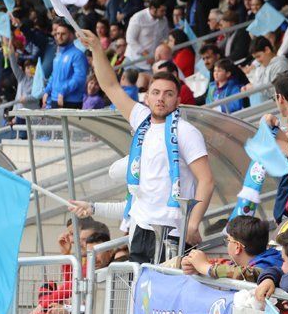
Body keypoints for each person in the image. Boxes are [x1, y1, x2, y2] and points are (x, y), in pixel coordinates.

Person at [73, 29, 215, 264]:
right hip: (141, 227)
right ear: (146, 97)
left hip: (173, 230)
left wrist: (193, 222)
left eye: (168, 94)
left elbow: (207, 180)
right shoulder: (141, 119)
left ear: (178, 101)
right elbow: (110, 86)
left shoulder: (186, 131)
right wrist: (97, 49)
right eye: (156, 93)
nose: (161, 98)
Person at [181, 216, 282, 281]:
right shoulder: (238, 264)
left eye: (228, 241)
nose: (227, 244)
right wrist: (194, 265)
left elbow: (244, 274)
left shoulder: (267, 265)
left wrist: (204, 267)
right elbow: (225, 266)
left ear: (237, 247)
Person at [42, 20, 88, 109]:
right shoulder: (58, 55)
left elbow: (80, 78)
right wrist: (47, 91)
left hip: (71, 101)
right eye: (57, 34)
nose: (59, 37)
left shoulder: (78, 55)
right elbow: (54, 76)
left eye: (63, 34)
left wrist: (63, 91)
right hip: (56, 98)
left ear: (71, 35)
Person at [124, 0, 169, 71]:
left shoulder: (164, 20)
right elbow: (130, 39)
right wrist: (146, 55)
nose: (164, 13)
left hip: (151, 64)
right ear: (153, 9)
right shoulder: (138, 18)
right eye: (162, 11)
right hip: (134, 61)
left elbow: (165, 39)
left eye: (165, 10)